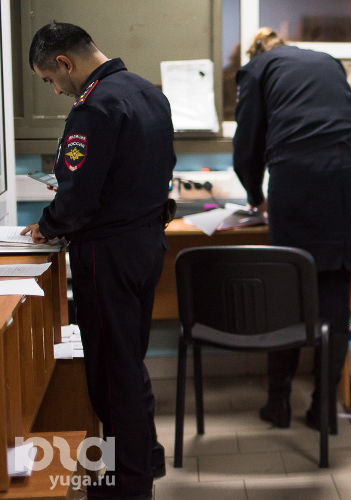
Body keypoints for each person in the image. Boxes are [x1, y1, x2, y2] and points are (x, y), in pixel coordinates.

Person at [21, 22, 175, 499]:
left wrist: (47, 225)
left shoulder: (95, 106)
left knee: (111, 376)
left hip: (108, 254)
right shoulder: (148, 93)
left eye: (50, 79)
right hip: (146, 245)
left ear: (64, 63)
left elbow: (79, 196)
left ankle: (127, 486)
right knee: (128, 362)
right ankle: (145, 461)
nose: (55, 89)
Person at [232, 28, 351, 430]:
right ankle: (324, 409)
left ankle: (278, 404)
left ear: (255, 53)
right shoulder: (326, 61)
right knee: (335, 288)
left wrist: (255, 196)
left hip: (297, 173)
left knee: (287, 288)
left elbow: (247, 144)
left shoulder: (256, 69)